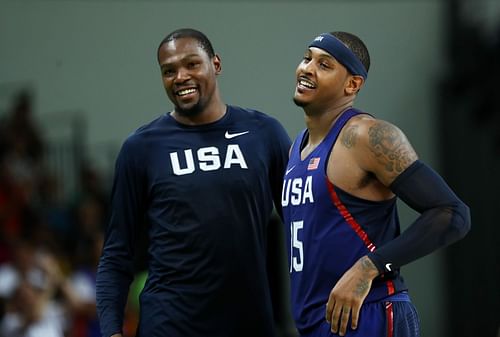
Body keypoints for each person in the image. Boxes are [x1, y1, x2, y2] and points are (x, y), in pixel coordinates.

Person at [95, 28, 292, 337]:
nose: (180, 76)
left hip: (249, 322)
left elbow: (303, 226)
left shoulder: (264, 133)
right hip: (170, 323)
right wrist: (110, 331)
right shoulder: (141, 148)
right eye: (168, 71)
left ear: (216, 64)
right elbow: (117, 253)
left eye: (191, 64)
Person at [281, 31, 471, 337]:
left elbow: (452, 213)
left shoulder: (367, 136)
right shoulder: (296, 149)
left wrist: (369, 267)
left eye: (324, 64)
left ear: (352, 84)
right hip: (321, 322)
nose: (307, 69)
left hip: (368, 314)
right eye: (307, 58)